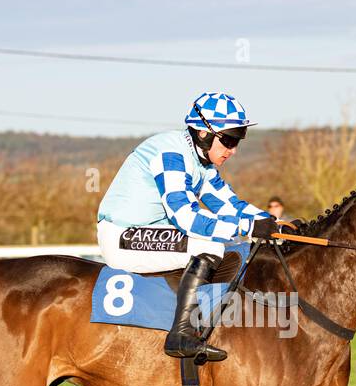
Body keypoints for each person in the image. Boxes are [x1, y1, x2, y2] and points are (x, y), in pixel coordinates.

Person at [96, 92, 276, 363]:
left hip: (154, 234)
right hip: (123, 236)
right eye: (228, 139)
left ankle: (211, 320)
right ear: (203, 134)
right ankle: (180, 335)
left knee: (237, 247)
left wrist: (274, 225)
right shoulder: (170, 153)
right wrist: (247, 226)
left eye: (238, 140)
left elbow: (231, 206)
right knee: (211, 244)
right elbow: (184, 217)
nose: (233, 149)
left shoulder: (202, 164)